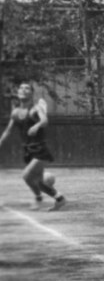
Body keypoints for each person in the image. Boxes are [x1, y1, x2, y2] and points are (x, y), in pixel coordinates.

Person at [1, 81, 66, 210]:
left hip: (40, 149)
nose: (23, 90)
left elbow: (44, 120)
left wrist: (36, 126)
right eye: (21, 87)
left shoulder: (36, 108)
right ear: (18, 92)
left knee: (26, 175)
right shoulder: (16, 112)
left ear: (31, 93)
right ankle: (58, 199)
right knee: (37, 182)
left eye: (27, 88)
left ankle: (40, 199)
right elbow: (8, 130)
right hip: (28, 151)